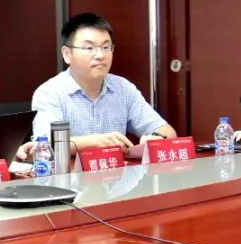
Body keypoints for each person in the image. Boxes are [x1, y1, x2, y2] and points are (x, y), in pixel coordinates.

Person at [18, 12, 176, 159]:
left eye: (106, 47)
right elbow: (45, 146)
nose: (100, 55)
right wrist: (95, 142)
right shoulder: (49, 92)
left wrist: (156, 138)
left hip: (116, 177)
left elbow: (167, 132)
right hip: (70, 178)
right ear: (67, 54)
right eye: (89, 48)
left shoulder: (123, 88)